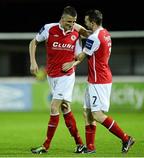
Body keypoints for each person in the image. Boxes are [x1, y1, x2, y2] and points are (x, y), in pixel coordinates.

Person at [62, 9, 135, 154]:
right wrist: (72, 24)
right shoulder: (105, 33)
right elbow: (89, 38)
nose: (85, 22)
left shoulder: (94, 38)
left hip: (99, 80)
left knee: (97, 114)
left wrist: (71, 64)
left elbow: (81, 57)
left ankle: (126, 138)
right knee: (87, 112)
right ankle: (90, 148)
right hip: (98, 78)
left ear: (93, 22)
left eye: (87, 21)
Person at [29, 6, 89, 154]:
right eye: (69, 21)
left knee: (54, 107)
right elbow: (33, 42)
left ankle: (46, 145)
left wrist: (72, 64)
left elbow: (81, 53)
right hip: (52, 75)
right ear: (62, 19)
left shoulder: (75, 33)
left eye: (74, 21)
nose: (71, 24)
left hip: (67, 76)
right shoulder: (49, 29)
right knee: (65, 108)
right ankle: (80, 144)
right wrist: (33, 61)